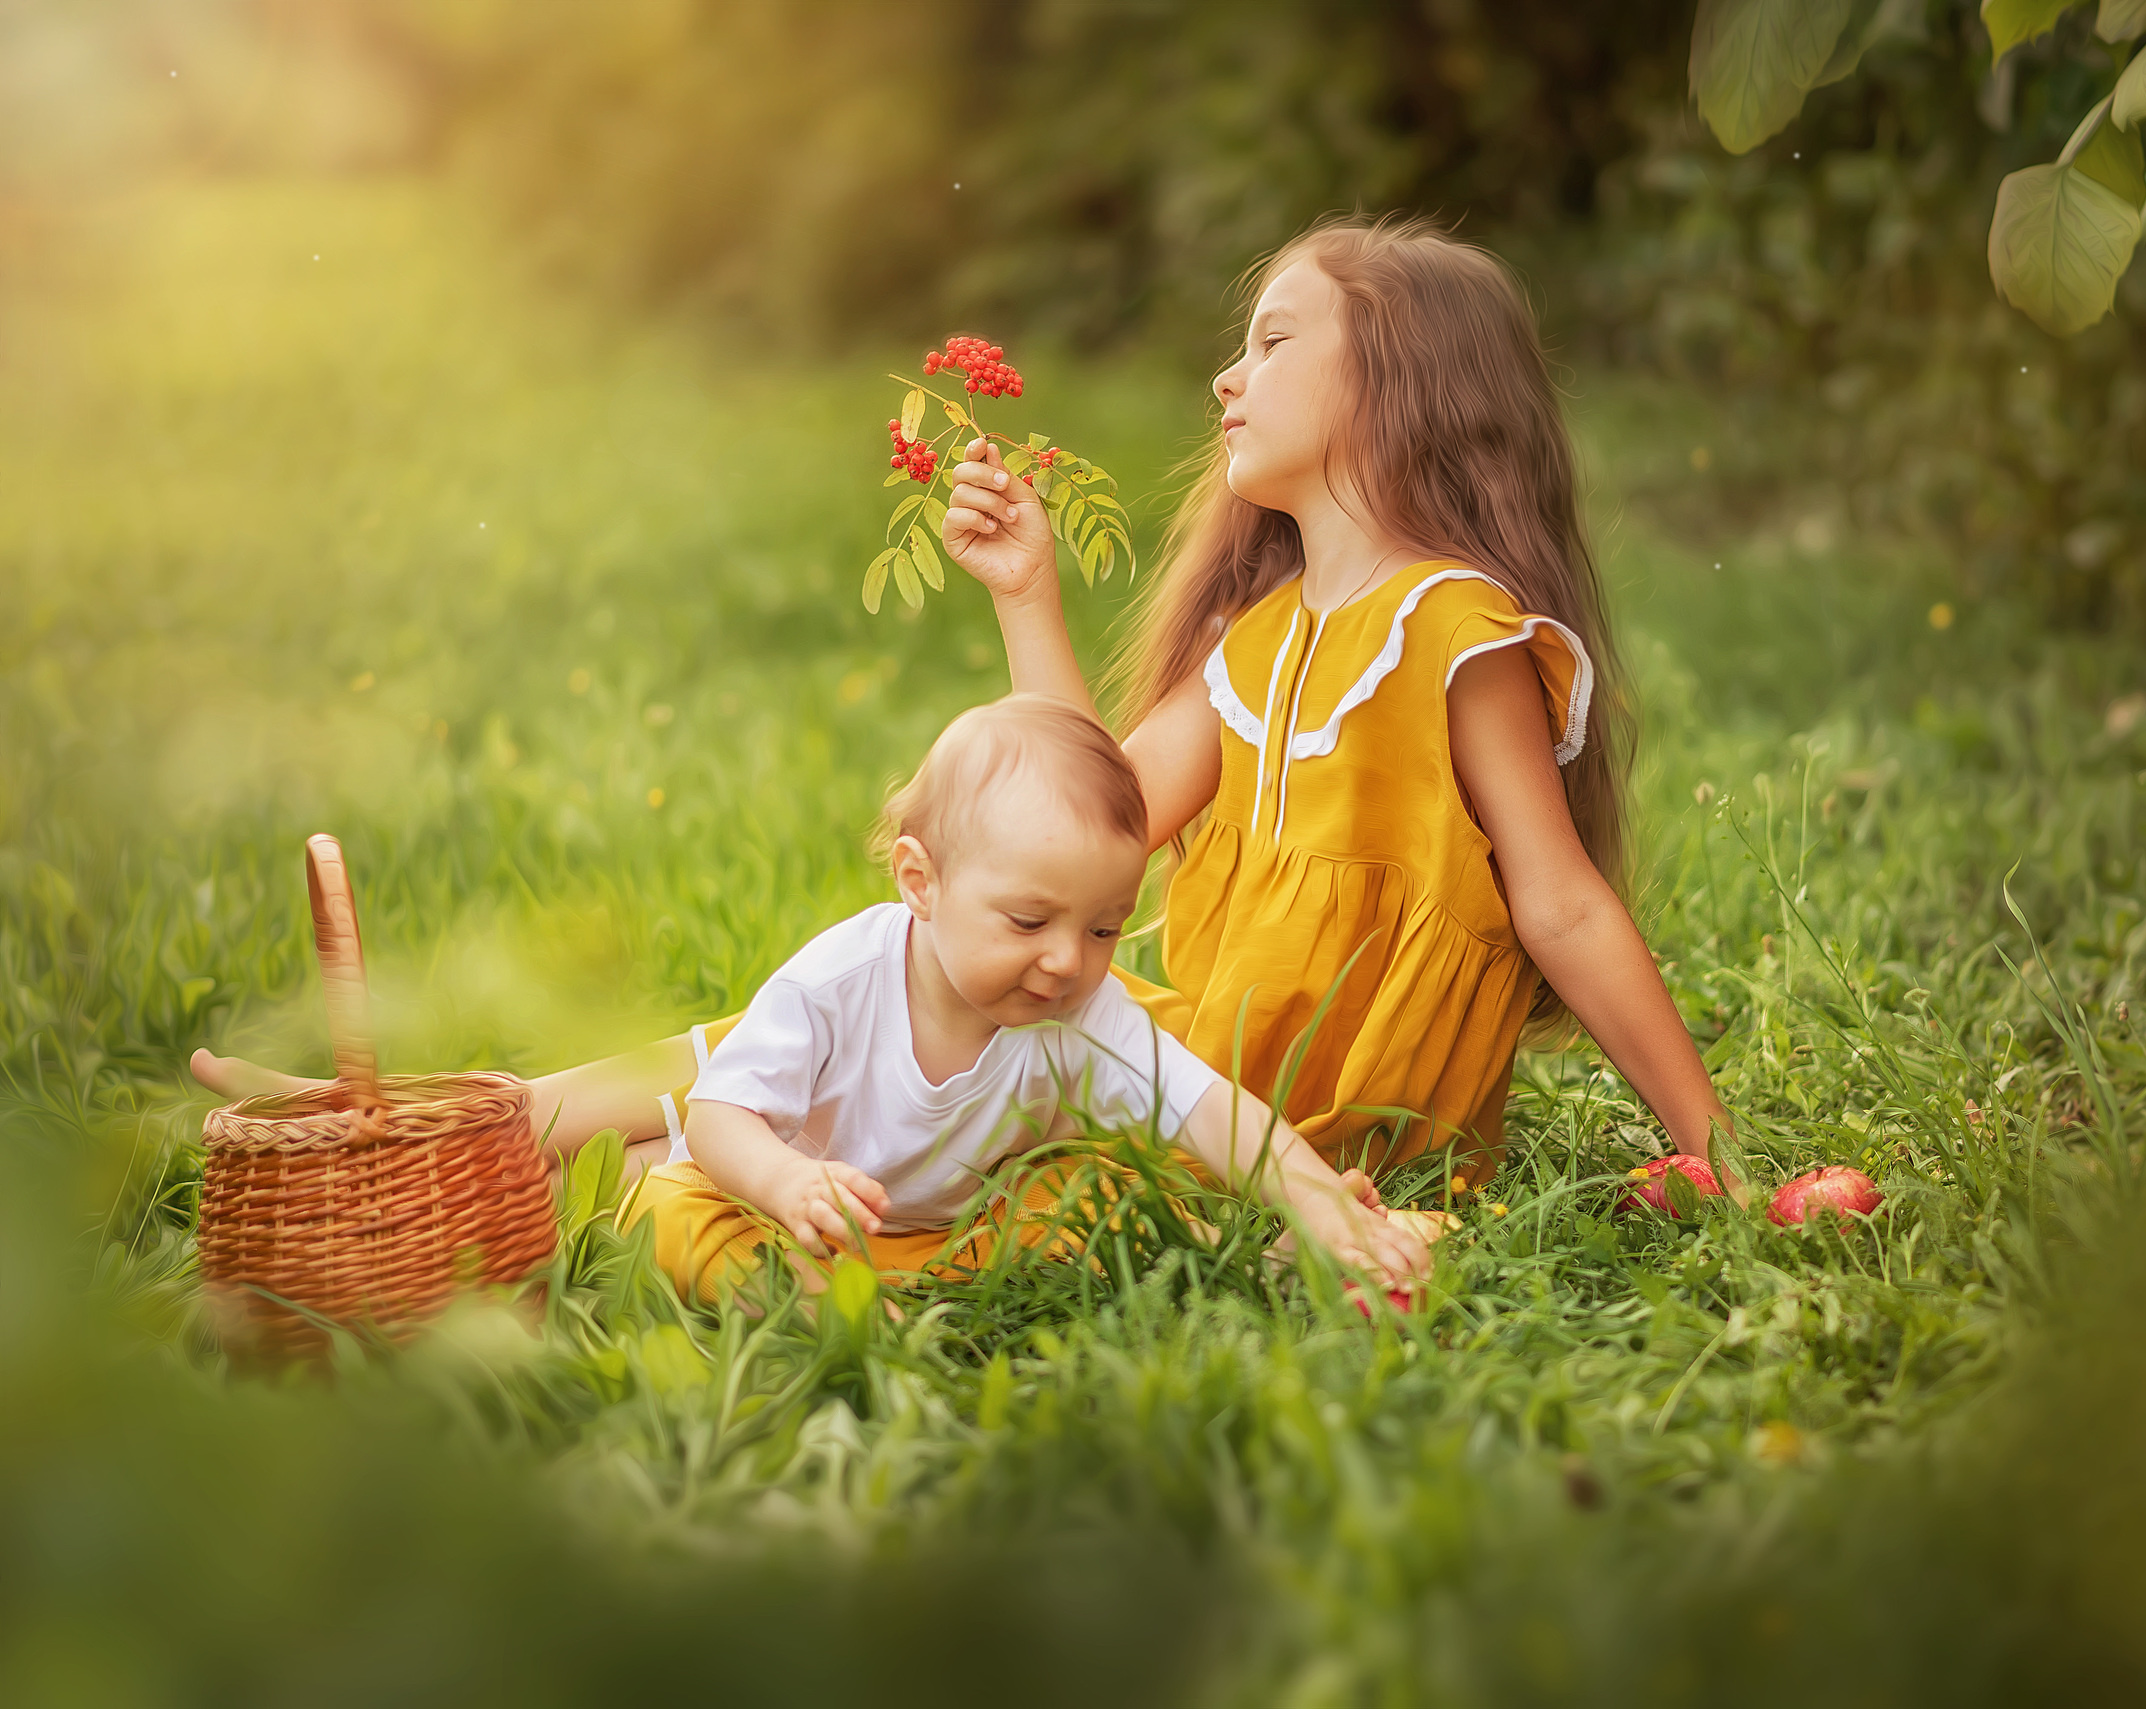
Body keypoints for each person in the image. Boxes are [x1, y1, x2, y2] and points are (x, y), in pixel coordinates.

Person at [194, 214, 1737, 1212]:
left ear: (1402, 383)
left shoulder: (1453, 628)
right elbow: (1088, 827)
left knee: (923, 1106)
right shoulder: (1261, 641)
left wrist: (1709, 1148)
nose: (1225, 376)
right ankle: (481, 1129)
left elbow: (1560, 903)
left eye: (1272, 340)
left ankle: (495, 1144)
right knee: (858, 1025)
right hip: (1201, 1060)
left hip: (1316, 1111)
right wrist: (1026, 597)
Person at [627, 693, 1436, 1296]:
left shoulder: (1078, 1012)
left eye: (1103, 929)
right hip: (795, 1217)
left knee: (1097, 1197)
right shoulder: (837, 983)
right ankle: (816, 1303)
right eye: (1028, 919)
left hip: (947, 1230)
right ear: (922, 882)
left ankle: (1284, 1251)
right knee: (671, 1209)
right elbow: (717, 1114)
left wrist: (1322, 1198)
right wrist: (784, 1182)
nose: (1064, 961)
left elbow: (1205, 1105)